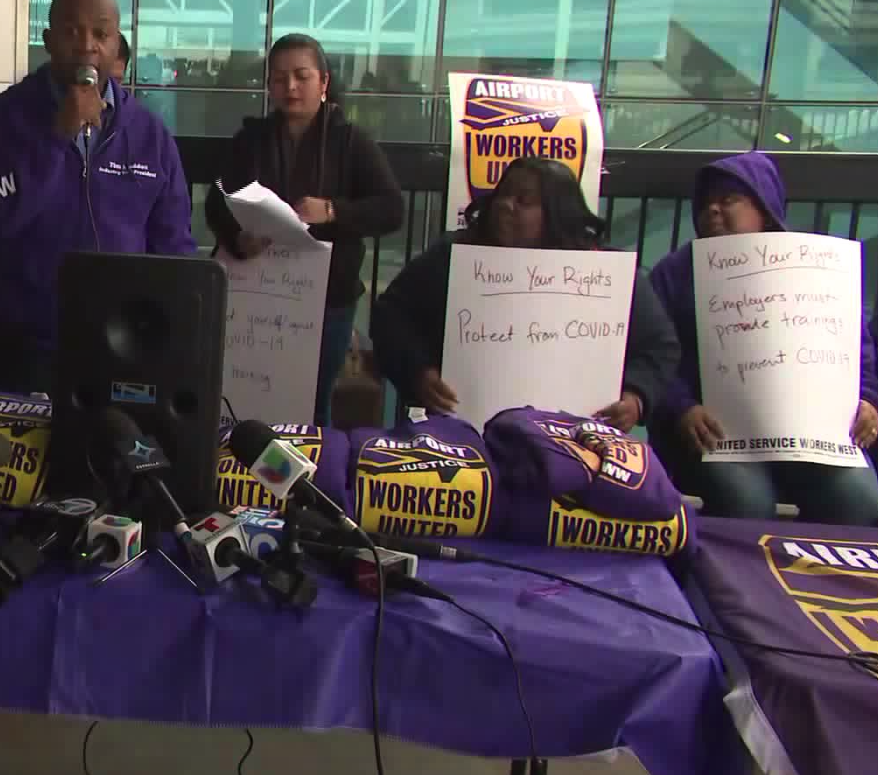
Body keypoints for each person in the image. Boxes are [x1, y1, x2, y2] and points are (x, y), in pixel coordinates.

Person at [0, 0, 195, 394]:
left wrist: (173, 327)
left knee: (115, 451)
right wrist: (57, 137)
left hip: (126, 340)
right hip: (28, 337)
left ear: (116, 43)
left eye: (101, 34)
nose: (87, 45)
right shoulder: (1, 117)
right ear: (49, 40)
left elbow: (174, 244)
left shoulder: (149, 132)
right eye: (72, 32)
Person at [648, 153, 878, 524]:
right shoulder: (673, 274)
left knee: (863, 502)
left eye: (728, 200)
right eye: (706, 203)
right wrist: (682, 408)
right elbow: (652, 354)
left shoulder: (813, 265)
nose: (713, 211)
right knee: (747, 502)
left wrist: (868, 400)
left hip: (813, 440)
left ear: (764, 207)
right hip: (719, 439)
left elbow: (856, 347)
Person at [372, 157, 679, 431]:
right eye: (503, 195)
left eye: (524, 200)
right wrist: (418, 371)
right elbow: (391, 316)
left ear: (557, 212)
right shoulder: (452, 255)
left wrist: (637, 397)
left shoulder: (605, 270)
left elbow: (659, 346)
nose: (506, 205)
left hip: (576, 443)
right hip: (463, 434)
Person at [206, 34, 403, 426]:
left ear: (324, 82)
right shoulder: (251, 140)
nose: (290, 87)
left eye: (301, 76)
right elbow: (216, 202)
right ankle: (249, 483)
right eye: (279, 78)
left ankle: (308, 482)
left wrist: (332, 211)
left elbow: (391, 209)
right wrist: (237, 237)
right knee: (245, 394)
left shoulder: (352, 142)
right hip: (256, 289)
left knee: (311, 403)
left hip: (327, 298)